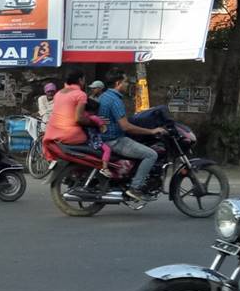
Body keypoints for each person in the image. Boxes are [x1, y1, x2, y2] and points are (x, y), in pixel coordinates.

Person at [96, 70, 168, 203]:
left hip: (104, 139)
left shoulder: (103, 96)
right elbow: (126, 126)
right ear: (118, 83)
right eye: (126, 82)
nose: (128, 84)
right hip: (115, 141)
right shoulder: (115, 100)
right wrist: (151, 131)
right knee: (151, 154)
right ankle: (135, 187)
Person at [44, 70, 97, 146]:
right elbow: (79, 119)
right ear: (80, 80)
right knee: (93, 141)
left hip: (51, 133)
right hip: (69, 135)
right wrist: (95, 123)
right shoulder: (80, 94)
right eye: (84, 79)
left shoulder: (58, 94)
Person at [82, 98, 113, 177]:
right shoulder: (91, 116)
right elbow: (95, 119)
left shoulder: (83, 115)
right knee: (107, 150)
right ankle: (105, 168)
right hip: (94, 140)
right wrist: (102, 125)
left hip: (87, 140)